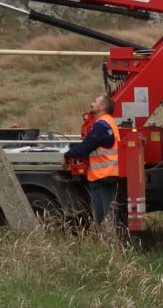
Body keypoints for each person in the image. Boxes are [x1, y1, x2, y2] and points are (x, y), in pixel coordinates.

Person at [64, 93, 121, 227]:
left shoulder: (101, 126)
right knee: (106, 212)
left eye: (95, 102)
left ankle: (100, 239)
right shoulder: (109, 122)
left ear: (101, 107)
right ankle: (106, 238)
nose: (91, 104)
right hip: (110, 173)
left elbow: (85, 148)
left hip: (101, 176)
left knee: (100, 216)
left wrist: (67, 155)